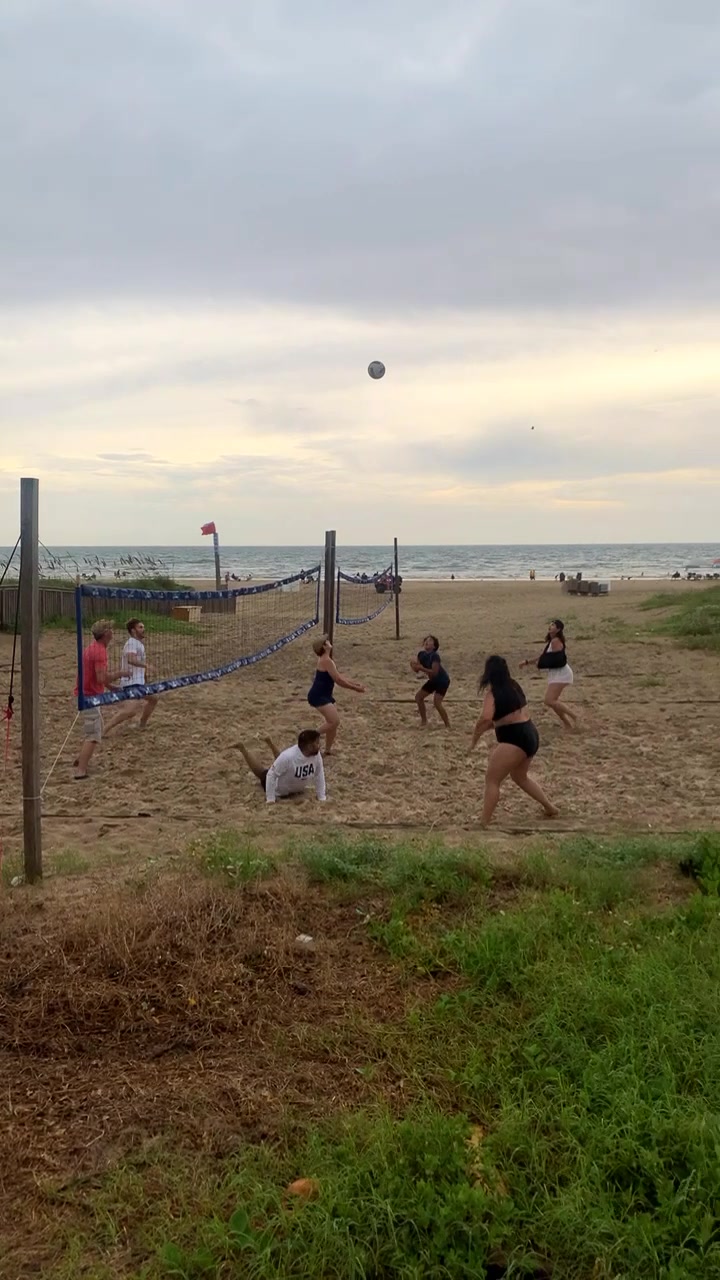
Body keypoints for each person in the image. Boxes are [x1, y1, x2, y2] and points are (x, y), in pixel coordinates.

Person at [470, 655, 558, 827]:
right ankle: (550, 807)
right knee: (520, 777)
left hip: (514, 738)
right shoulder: (514, 686)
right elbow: (505, 717)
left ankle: (483, 822)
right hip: (530, 732)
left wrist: (474, 738)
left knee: (492, 780)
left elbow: (485, 719)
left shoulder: (493, 694)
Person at [73, 620, 127, 779]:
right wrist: (120, 673)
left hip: (87, 694)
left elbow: (97, 676)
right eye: (110, 629)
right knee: (93, 734)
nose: (113, 631)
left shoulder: (94, 647)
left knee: (96, 728)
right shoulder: (99, 651)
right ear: (106, 634)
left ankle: (80, 759)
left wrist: (111, 687)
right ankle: (80, 771)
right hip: (88, 697)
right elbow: (101, 677)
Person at [307, 636, 365, 755]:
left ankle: (327, 750)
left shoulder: (326, 659)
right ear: (324, 646)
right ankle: (309, 736)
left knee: (332, 723)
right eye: (326, 641)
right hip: (318, 696)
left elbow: (338, 676)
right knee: (334, 722)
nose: (329, 642)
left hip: (324, 695)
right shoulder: (326, 661)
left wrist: (354, 684)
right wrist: (355, 688)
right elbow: (338, 680)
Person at [236, 730, 326, 803]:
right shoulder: (288, 756)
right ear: (309, 746)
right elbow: (271, 774)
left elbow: (319, 774)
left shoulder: (316, 755)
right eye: (317, 743)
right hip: (279, 789)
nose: (320, 745)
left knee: (282, 763)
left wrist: (321, 797)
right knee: (262, 773)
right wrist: (270, 799)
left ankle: (270, 742)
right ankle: (243, 750)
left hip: (293, 785)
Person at [104, 618, 159, 736]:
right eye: (140, 627)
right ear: (133, 631)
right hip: (131, 683)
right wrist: (147, 665)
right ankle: (104, 730)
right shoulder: (131, 643)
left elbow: (137, 664)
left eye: (143, 627)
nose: (144, 629)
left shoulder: (138, 643)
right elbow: (131, 659)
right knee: (129, 711)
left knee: (153, 699)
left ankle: (142, 724)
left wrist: (145, 679)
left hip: (138, 682)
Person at [520, 619, 577, 730]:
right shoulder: (552, 641)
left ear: (558, 629)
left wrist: (540, 664)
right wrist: (527, 662)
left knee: (549, 700)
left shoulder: (556, 641)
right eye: (550, 624)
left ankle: (574, 716)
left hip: (561, 674)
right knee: (553, 701)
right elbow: (544, 657)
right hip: (556, 674)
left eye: (553, 625)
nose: (550, 626)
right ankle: (567, 723)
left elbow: (555, 659)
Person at [410, 634, 450, 728]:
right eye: (426, 640)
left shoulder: (435, 656)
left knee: (437, 702)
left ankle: (447, 725)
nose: (427, 642)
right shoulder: (421, 654)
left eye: (430, 640)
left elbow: (434, 672)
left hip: (442, 681)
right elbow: (417, 670)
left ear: (434, 646)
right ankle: (424, 722)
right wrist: (413, 665)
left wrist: (421, 668)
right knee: (418, 697)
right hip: (433, 680)